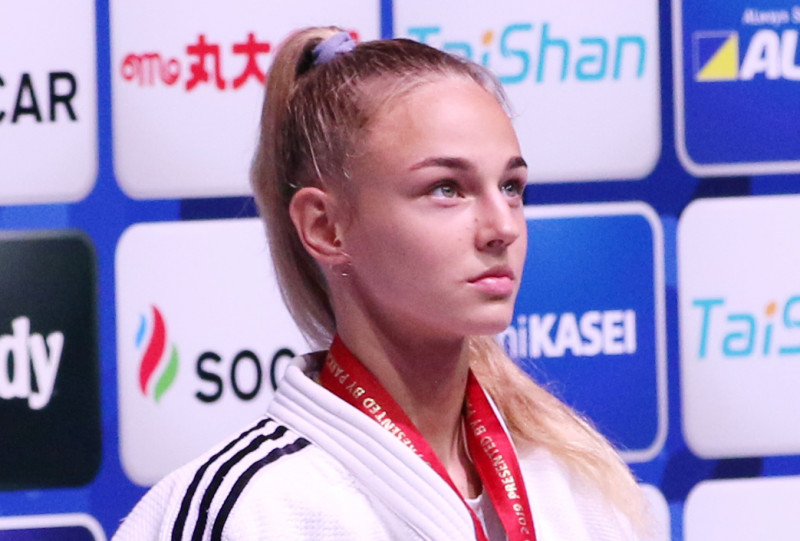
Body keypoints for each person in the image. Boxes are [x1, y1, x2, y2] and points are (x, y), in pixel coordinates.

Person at [113, 26, 652, 541]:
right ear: (326, 227)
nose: (503, 227)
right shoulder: (243, 514)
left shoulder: (574, 488)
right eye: (447, 188)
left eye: (511, 187)